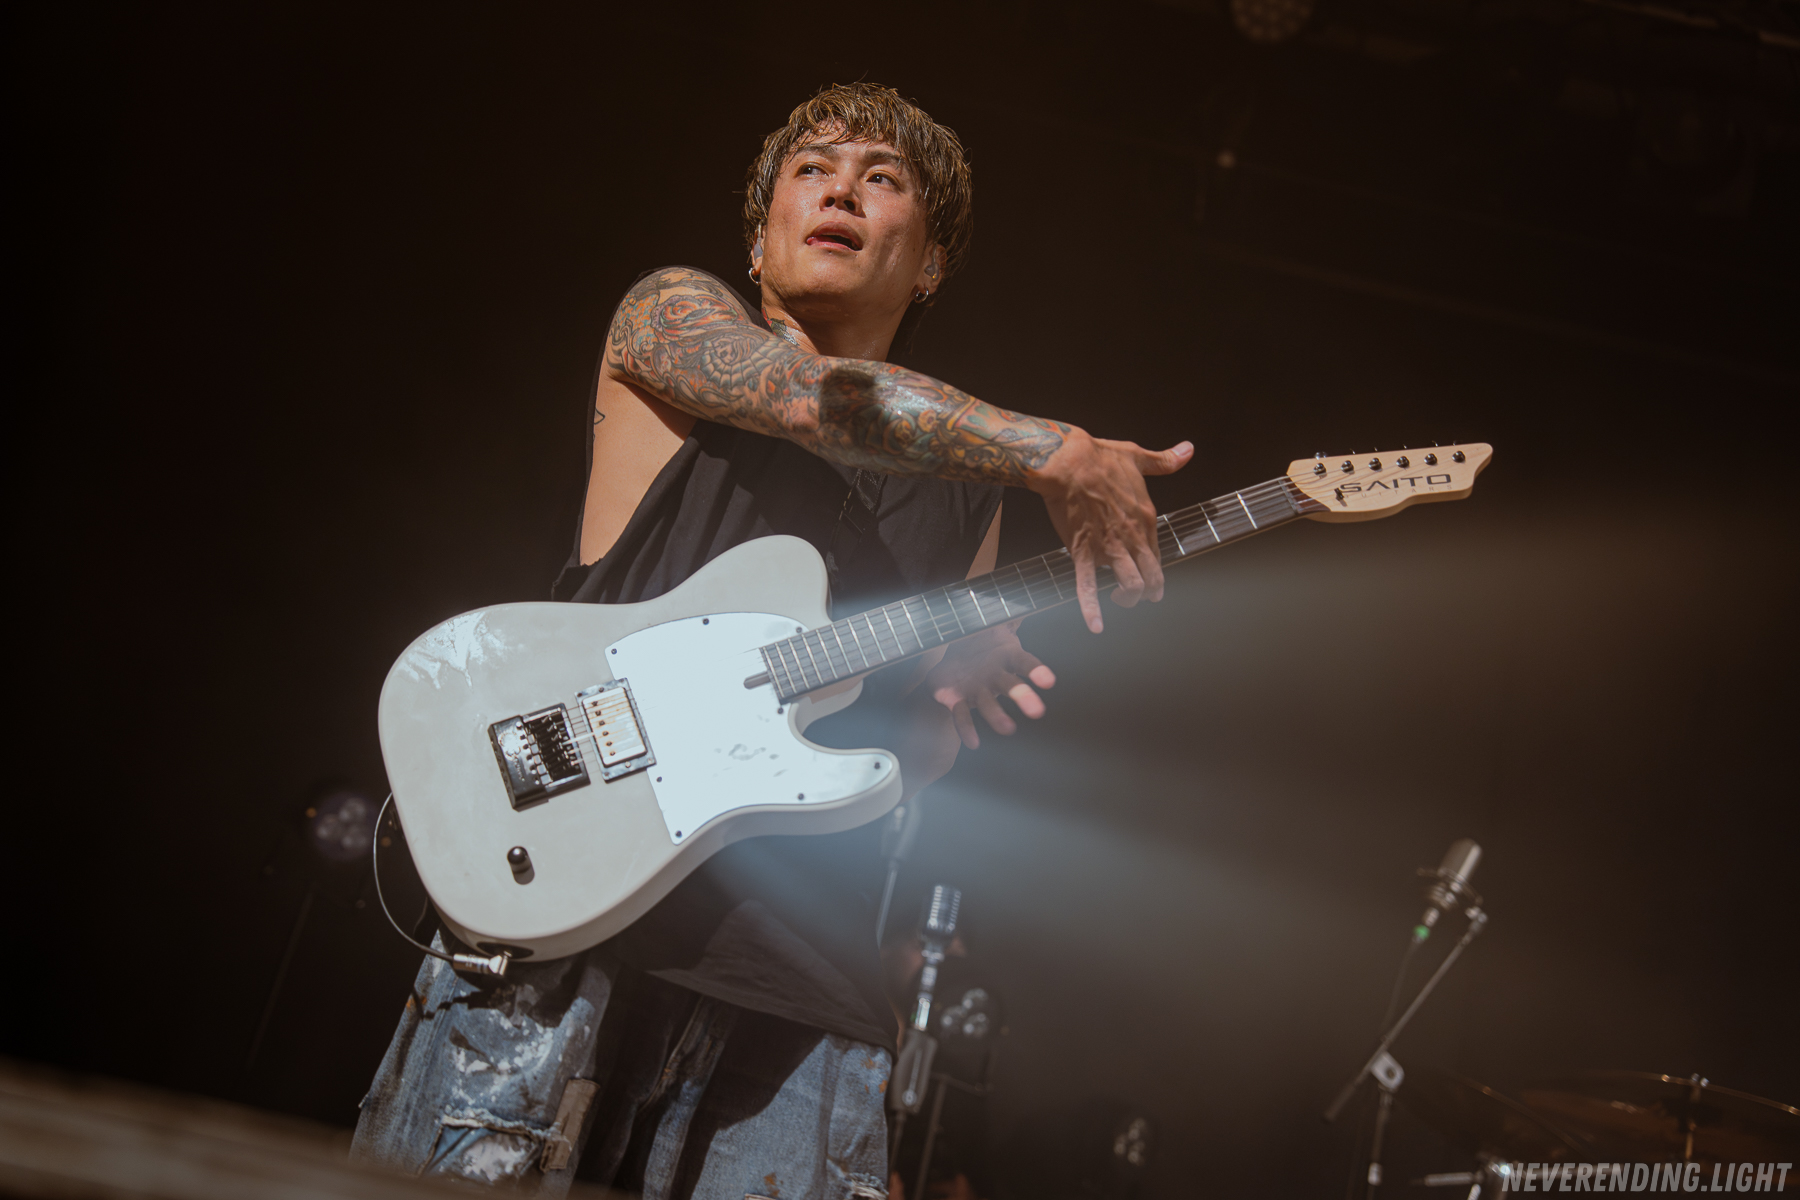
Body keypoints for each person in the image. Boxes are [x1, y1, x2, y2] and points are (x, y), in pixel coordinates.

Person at [350, 82, 1191, 1199]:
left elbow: (899, 765)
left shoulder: (969, 493)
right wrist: (1051, 447)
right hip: (567, 920)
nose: (841, 189)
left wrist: (946, 700)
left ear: (931, 263)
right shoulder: (674, 322)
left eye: (880, 179)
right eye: (813, 170)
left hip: (805, 985)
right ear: (758, 239)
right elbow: (810, 396)